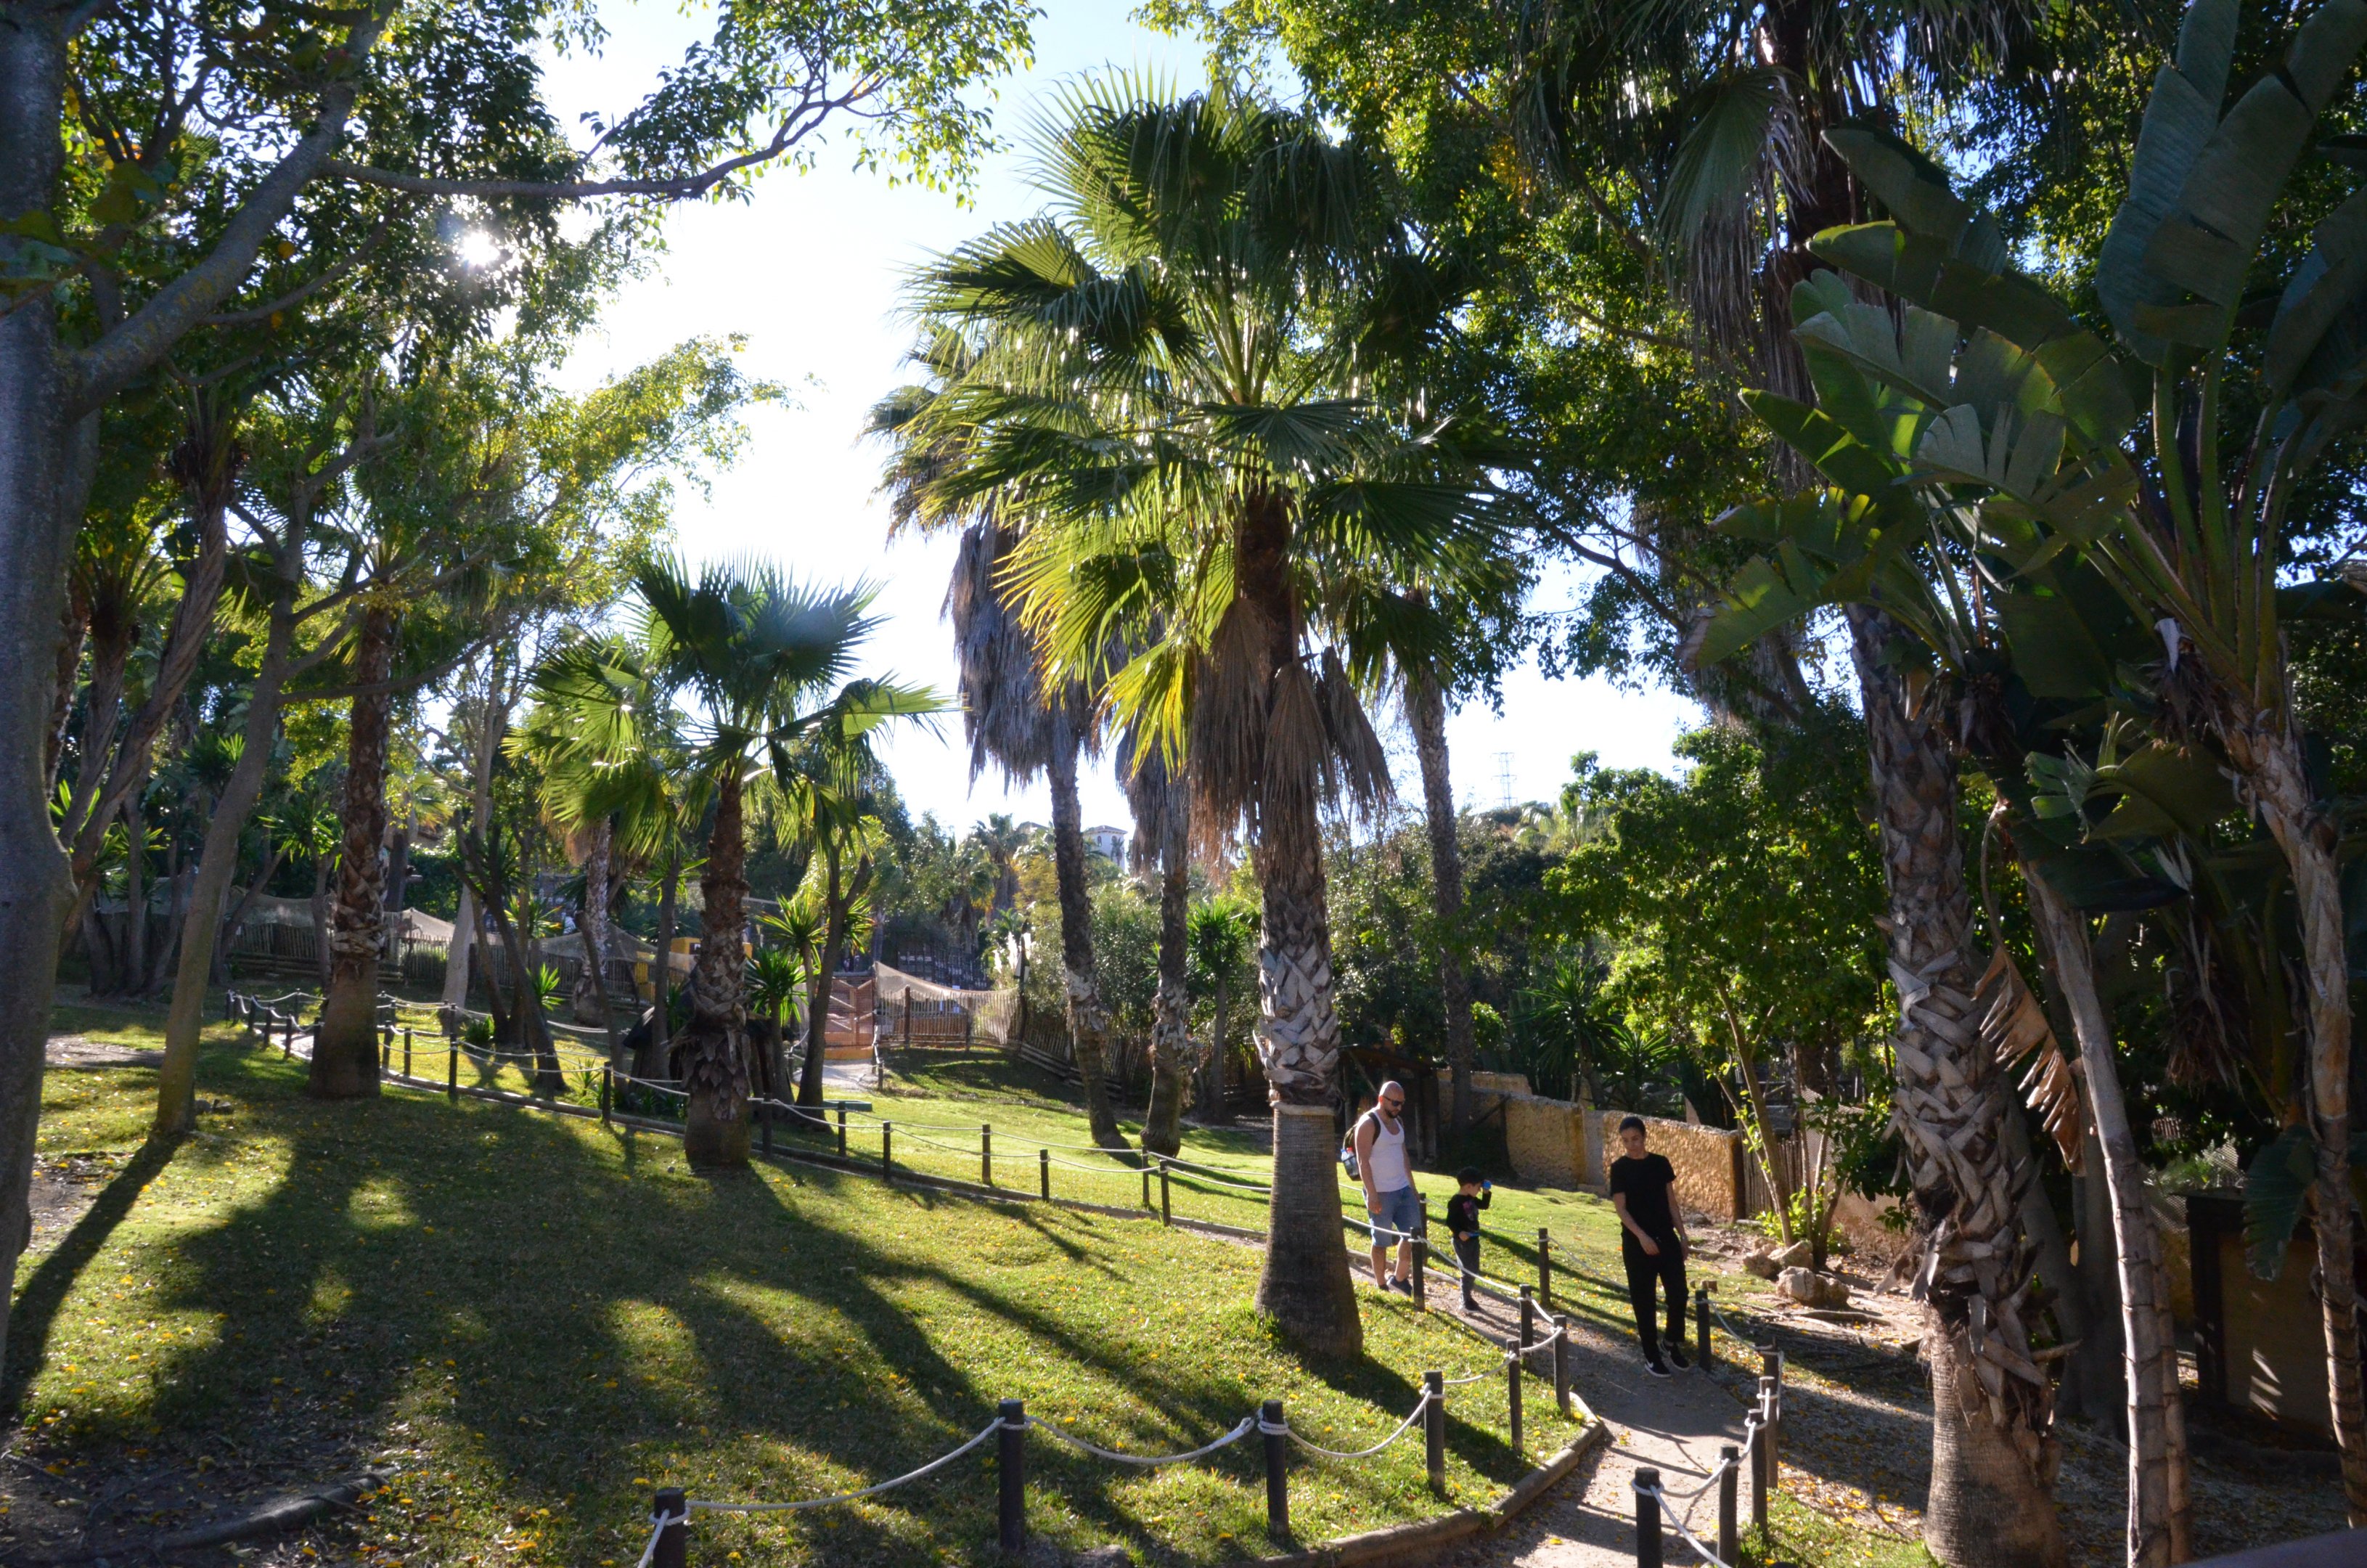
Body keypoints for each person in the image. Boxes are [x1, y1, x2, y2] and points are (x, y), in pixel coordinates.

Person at [1608, 1114, 1690, 1376]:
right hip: (1636, 1242)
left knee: (1679, 1293)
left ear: (1644, 1137)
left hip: (1666, 1237)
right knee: (1644, 1300)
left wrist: (1683, 1234)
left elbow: (1671, 1202)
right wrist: (1641, 1237)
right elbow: (1621, 1209)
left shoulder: (1660, 1164)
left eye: (1635, 1139)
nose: (1632, 1145)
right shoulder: (1619, 1168)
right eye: (1626, 1141)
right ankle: (1651, 1355)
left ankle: (1670, 1342)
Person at [1353, 1079, 1421, 1294]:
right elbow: (1363, 1161)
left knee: (1412, 1236)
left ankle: (1400, 1279)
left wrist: (1412, 1187)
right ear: (1382, 1100)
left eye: (1402, 1103)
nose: (1399, 1108)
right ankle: (1381, 1283)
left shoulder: (1398, 1121)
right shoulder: (1368, 1123)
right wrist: (1372, 1194)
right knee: (1381, 1242)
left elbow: (1404, 1156)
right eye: (1395, 1103)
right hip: (1381, 1193)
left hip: (1403, 1190)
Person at [1444, 1166, 1491, 1311]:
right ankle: (1465, 1300)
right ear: (1468, 1186)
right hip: (1462, 1241)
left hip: (1474, 1239)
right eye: (1478, 1187)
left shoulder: (1471, 1198)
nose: (1478, 1190)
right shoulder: (1455, 1202)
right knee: (1467, 1270)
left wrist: (1486, 1192)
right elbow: (1450, 1221)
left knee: (1474, 1269)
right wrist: (1459, 1233)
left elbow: (1484, 1205)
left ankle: (1468, 1297)